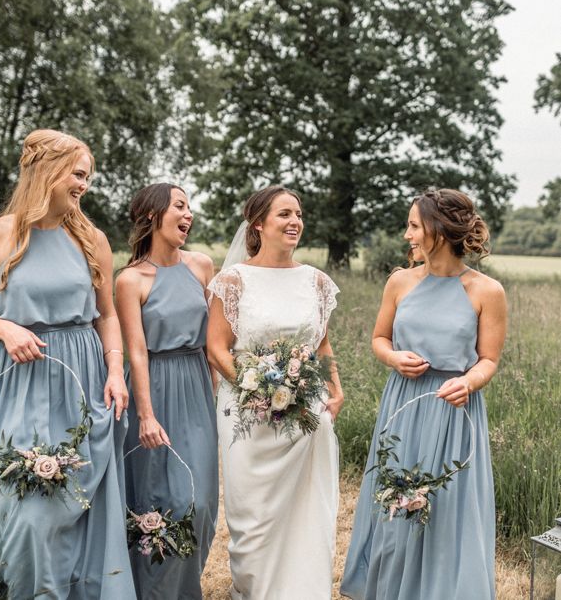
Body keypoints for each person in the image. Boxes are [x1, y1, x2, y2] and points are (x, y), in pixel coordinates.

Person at [0, 128, 136, 599]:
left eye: (88, 177)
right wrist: (6, 328)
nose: (84, 185)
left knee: (78, 499)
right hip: (22, 379)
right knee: (30, 504)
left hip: (83, 378)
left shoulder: (92, 239)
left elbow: (107, 314)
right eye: (78, 174)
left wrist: (116, 371)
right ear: (45, 170)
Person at [340, 188, 507, 600]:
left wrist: (468, 381)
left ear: (438, 229)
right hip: (403, 405)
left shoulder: (487, 291)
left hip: (453, 412)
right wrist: (393, 357)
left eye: (413, 225)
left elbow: (488, 360)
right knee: (396, 504)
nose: (407, 234)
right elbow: (379, 338)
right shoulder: (399, 282)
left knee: (447, 511)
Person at [206, 185, 343, 600]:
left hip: (305, 413)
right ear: (258, 224)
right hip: (248, 414)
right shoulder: (233, 281)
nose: (295, 222)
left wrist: (336, 389)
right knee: (254, 513)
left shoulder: (316, 282)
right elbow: (216, 346)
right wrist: (254, 389)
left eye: (298, 214)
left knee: (307, 509)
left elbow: (321, 345)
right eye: (284, 214)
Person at [115, 183, 219, 600]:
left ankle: (185, 588)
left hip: (197, 387)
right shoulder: (130, 279)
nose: (188, 214)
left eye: (189, 207)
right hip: (153, 387)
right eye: (179, 206)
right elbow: (136, 353)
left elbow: (214, 341)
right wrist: (145, 414)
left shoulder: (201, 267)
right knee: (160, 503)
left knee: (203, 503)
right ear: (152, 216)